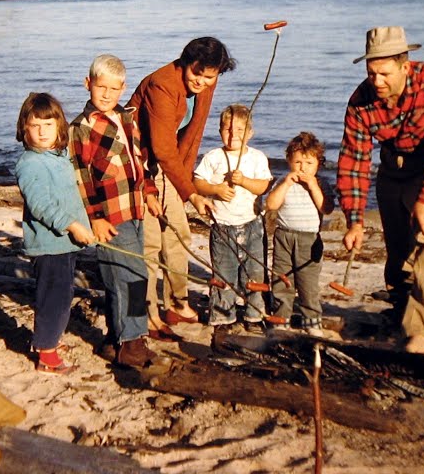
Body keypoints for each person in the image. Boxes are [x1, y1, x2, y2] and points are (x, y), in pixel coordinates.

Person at [337, 26, 424, 355]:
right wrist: (354, 220)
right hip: (394, 162)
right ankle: (400, 306)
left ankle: (421, 331)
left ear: (404, 67)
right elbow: (354, 161)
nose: (376, 81)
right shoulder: (360, 102)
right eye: (371, 73)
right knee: (396, 241)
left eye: (383, 73)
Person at [127, 37, 237, 330]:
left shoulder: (207, 83)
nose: (201, 81)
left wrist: (182, 184)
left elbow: (193, 135)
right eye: (195, 73)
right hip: (139, 165)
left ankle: (177, 303)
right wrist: (192, 193)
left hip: (170, 167)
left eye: (209, 76)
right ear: (186, 62)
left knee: (178, 236)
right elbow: (161, 148)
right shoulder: (162, 85)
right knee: (149, 243)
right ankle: (146, 314)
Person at [69, 54, 161, 368]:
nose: (107, 94)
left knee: (125, 276)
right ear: (87, 84)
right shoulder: (81, 128)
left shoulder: (127, 119)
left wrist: (149, 192)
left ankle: (115, 339)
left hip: (134, 208)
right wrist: (94, 217)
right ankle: (132, 344)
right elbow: (80, 178)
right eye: (100, 87)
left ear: (123, 88)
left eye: (114, 88)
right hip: (109, 216)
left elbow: (140, 162)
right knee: (131, 276)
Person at [13, 92, 97, 375]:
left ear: (59, 127)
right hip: (50, 245)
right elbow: (41, 205)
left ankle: (50, 340)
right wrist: (73, 225)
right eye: (35, 126)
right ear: (24, 128)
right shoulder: (29, 163)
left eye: (48, 125)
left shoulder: (59, 154)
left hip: (66, 243)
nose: (42, 132)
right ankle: (46, 353)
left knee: (64, 294)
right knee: (53, 297)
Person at [192, 104, 272, 333]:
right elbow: (198, 182)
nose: (233, 134)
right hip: (222, 228)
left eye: (239, 129)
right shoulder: (213, 157)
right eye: (227, 129)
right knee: (223, 274)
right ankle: (222, 316)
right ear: (219, 131)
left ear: (250, 133)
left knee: (254, 272)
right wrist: (216, 189)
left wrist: (245, 181)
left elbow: (263, 186)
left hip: (252, 225)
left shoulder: (257, 158)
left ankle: (254, 315)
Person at [264, 131, 335, 338]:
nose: (302, 168)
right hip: (284, 236)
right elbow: (271, 204)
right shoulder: (282, 182)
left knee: (308, 282)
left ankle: (311, 320)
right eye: (297, 162)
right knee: (281, 280)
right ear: (288, 161)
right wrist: (286, 184)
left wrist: (313, 186)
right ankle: (281, 318)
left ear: (318, 165)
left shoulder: (321, 184)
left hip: (309, 239)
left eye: (309, 163)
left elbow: (327, 208)